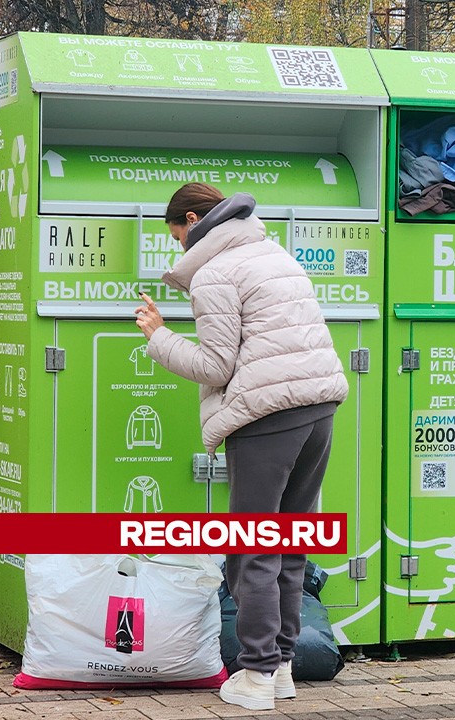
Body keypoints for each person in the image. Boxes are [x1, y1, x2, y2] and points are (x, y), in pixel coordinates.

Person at [134, 183, 348, 711]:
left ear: (191, 220)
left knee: (252, 544)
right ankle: (281, 668)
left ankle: (254, 677)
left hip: (268, 416)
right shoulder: (273, 253)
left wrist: (158, 336)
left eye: (176, 234)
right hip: (319, 407)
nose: (178, 246)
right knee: (291, 540)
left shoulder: (214, 273)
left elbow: (215, 367)